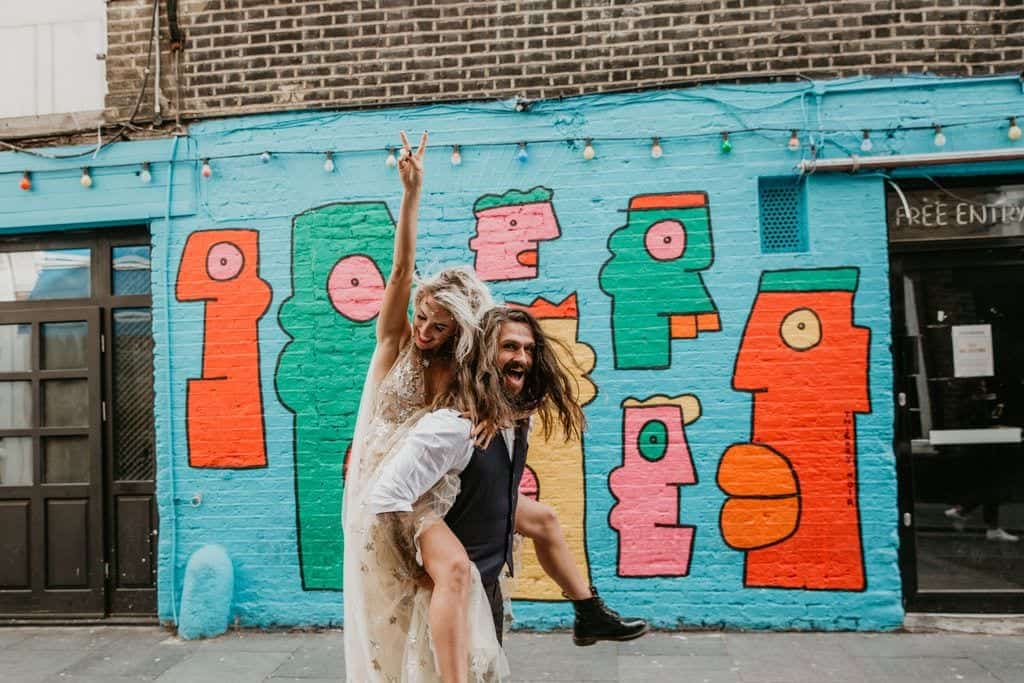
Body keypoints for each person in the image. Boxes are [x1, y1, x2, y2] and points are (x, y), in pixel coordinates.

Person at [368, 307, 648, 673]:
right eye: (510, 347)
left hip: (487, 587)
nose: (523, 358)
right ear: (484, 355)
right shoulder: (453, 427)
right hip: (452, 595)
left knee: (543, 517)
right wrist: (412, 567)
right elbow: (385, 497)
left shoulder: (514, 420)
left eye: (529, 350)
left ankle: (588, 612)